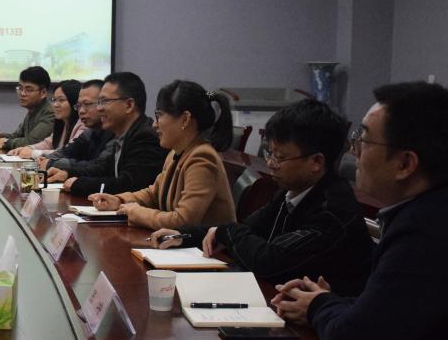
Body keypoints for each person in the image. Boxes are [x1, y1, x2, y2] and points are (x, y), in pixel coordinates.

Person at [273, 82, 448, 340]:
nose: (353, 151)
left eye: (363, 140)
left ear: (405, 164)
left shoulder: (428, 232)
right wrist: (330, 303)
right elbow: (383, 311)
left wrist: (319, 306)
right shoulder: (438, 206)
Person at [149, 99, 373, 295]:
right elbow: (247, 229)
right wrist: (183, 236)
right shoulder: (292, 190)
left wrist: (226, 231)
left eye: (280, 157)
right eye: (270, 153)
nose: (270, 163)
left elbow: (268, 261)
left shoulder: (332, 212)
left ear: (316, 162)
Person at [91, 79, 235, 229]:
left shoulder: (203, 158)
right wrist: (119, 200)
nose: (154, 124)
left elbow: (183, 221)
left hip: (204, 244)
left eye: (159, 115)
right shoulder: (176, 152)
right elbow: (153, 194)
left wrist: (136, 212)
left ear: (185, 119)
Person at [47, 72, 166, 197]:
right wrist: (67, 174)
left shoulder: (145, 137)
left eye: (104, 101)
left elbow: (130, 185)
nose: (99, 108)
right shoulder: (123, 135)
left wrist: (79, 183)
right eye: (99, 102)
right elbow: (102, 169)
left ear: (129, 105)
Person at [37, 79, 112, 173]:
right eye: (79, 105)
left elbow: (98, 167)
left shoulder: (114, 132)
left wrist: (51, 162)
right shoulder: (90, 131)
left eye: (87, 104)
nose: (81, 111)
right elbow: (68, 151)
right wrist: (47, 158)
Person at [8, 79, 83, 159]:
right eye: (54, 100)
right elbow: (48, 144)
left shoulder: (83, 125)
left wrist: (33, 153)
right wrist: (27, 148)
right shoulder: (63, 123)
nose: (55, 105)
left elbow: (67, 152)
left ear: (75, 103)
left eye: (61, 100)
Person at [0, 66, 54, 150]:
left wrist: (6, 142)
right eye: (20, 88)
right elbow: (17, 136)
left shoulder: (49, 113)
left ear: (43, 93)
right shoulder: (33, 110)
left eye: (28, 90)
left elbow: (31, 142)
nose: (22, 93)